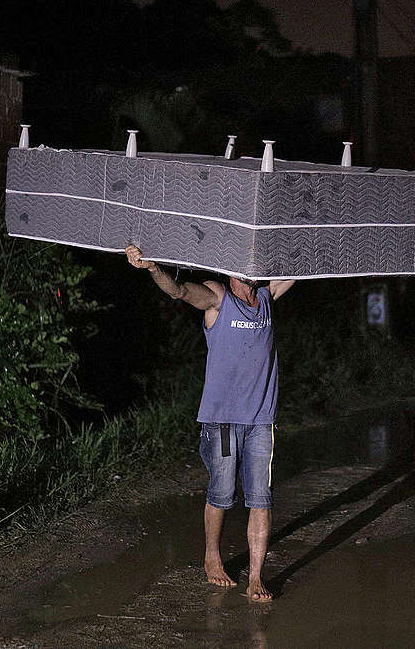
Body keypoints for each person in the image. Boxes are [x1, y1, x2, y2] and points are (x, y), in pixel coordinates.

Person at [125, 245, 295, 602]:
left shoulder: (266, 296)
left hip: (261, 420)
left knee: (261, 498)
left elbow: (303, 270)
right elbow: (180, 291)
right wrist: (153, 268)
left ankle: (255, 578)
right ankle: (212, 557)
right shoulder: (218, 297)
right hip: (222, 423)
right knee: (222, 492)